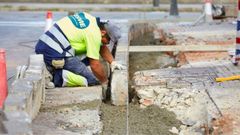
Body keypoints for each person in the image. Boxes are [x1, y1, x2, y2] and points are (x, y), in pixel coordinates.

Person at [35, 12, 125, 97]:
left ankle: (53, 69)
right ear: (103, 32)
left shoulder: (91, 21)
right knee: (91, 80)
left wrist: (113, 62)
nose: (108, 43)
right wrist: (104, 82)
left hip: (45, 44)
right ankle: (55, 77)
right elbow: (95, 64)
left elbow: (101, 47)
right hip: (53, 50)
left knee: (91, 63)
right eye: (109, 40)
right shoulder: (94, 34)